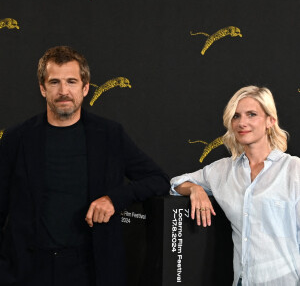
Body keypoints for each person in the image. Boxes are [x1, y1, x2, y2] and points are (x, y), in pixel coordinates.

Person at [0, 46, 170, 286]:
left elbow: (158, 179)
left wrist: (112, 199)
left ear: (85, 87)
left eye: (71, 81)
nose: (63, 91)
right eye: (54, 82)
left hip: (91, 269)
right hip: (27, 270)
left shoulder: (110, 135)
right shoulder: (16, 138)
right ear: (42, 88)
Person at [170, 86, 300, 286]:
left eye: (252, 114)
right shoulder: (223, 170)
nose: (242, 123)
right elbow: (176, 183)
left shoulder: (294, 170)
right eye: (236, 116)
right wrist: (195, 189)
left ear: (270, 121)